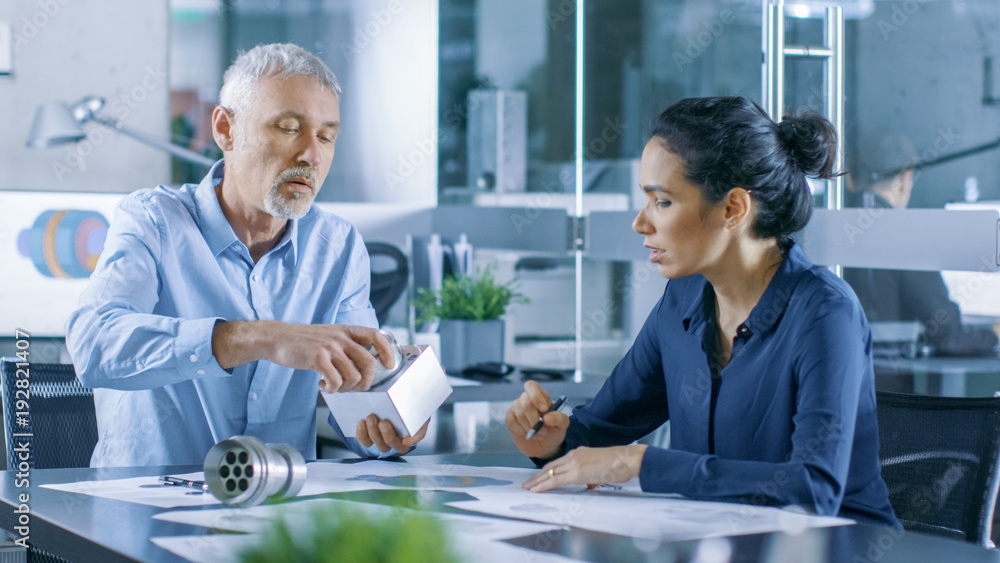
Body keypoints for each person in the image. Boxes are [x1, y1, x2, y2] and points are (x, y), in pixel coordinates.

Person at [506, 97, 899, 526]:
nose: (641, 222)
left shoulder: (825, 314)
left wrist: (643, 464)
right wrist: (553, 441)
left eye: (663, 202)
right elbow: (600, 430)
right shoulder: (683, 299)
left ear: (733, 208)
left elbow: (814, 489)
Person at [65, 43, 427, 467]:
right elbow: (94, 346)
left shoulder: (338, 246)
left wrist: (389, 421)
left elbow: (361, 411)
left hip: (279, 517)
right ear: (225, 129)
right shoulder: (153, 220)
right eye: (289, 127)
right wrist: (264, 338)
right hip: (143, 509)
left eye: (327, 137)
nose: (311, 154)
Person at [843, 134, 1000, 359]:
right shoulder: (906, 235)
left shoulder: (829, 225)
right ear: (904, 178)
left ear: (850, 179)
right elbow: (947, 336)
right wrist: (994, 335)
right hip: (884, 384)